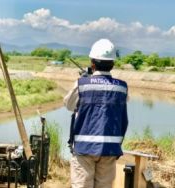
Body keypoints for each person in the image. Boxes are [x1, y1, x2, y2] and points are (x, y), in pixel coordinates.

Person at [64, 39, 128, 188]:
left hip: (84, 149)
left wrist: (84, 79)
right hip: (110, 149)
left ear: (93, 64)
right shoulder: (122, 88)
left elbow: (69, 105)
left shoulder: (82, 84)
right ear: (112, 64)